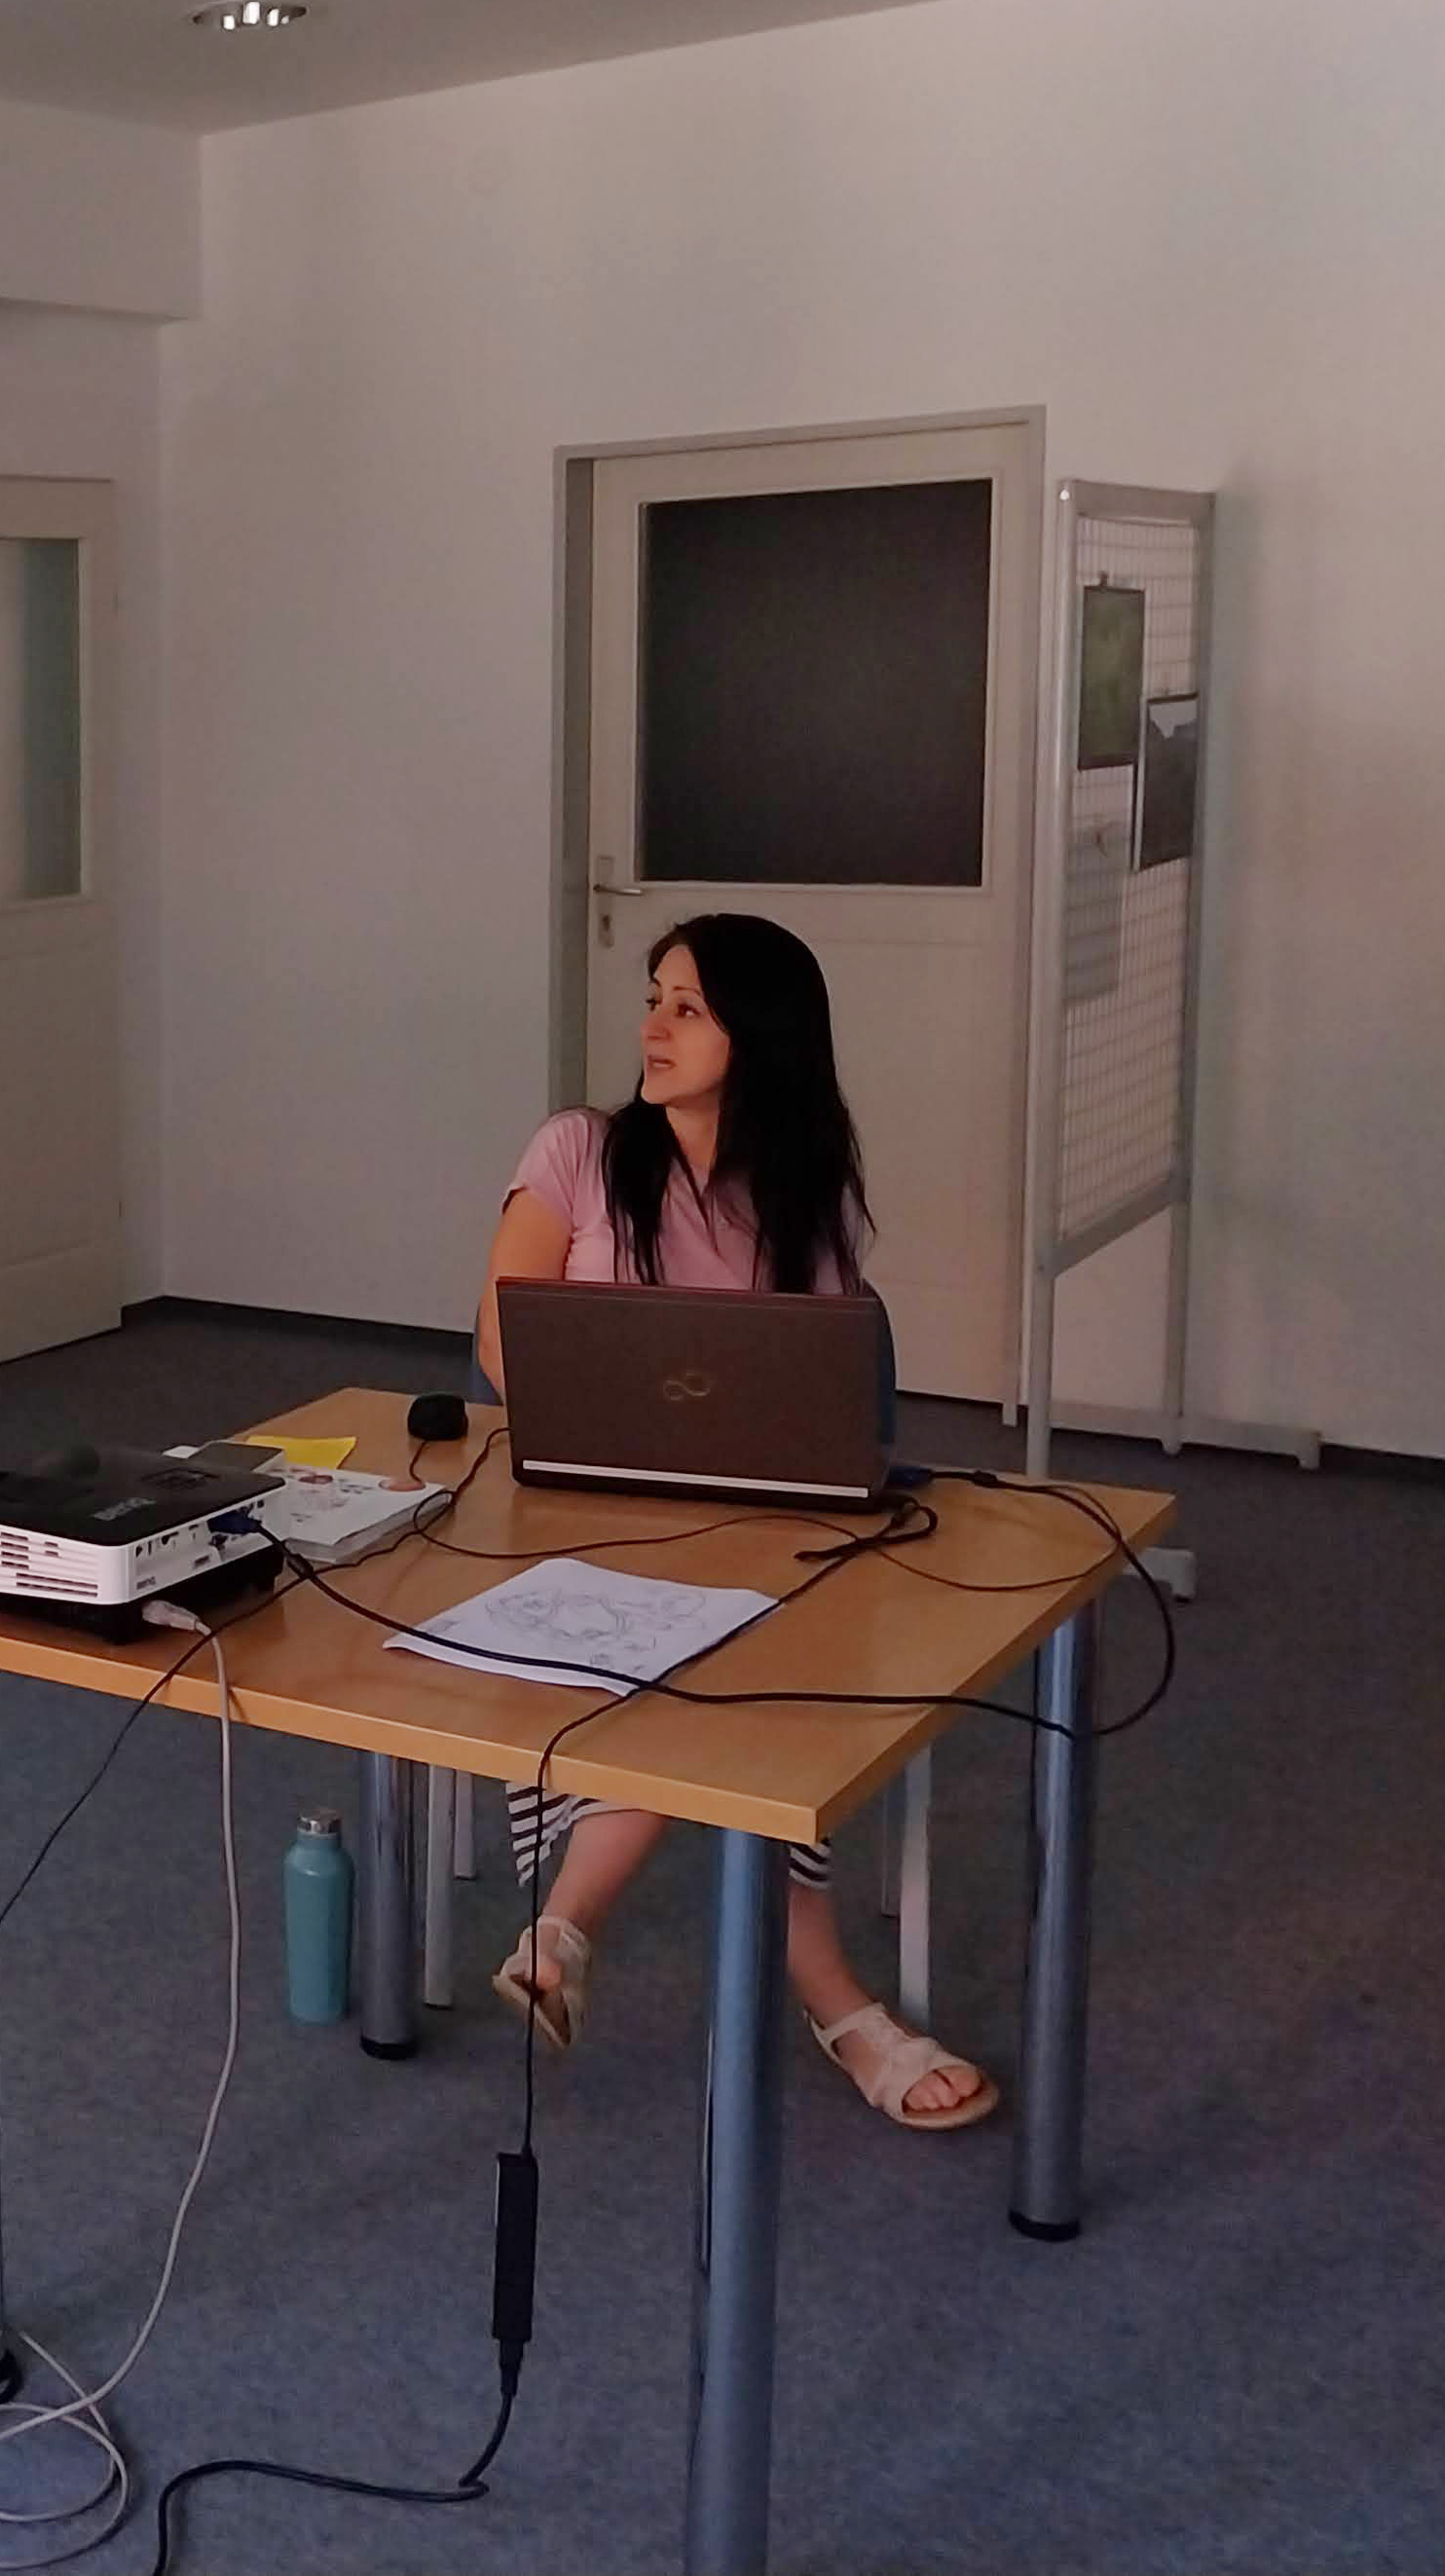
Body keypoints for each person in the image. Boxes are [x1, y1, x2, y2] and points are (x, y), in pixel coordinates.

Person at [472, 912, 994, 2131]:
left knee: (746, 1659)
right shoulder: (576, 1152)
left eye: (688, 1007)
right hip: (576, 1514)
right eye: (653, 999)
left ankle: (566, 1927)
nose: (652, 1029)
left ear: (758, 1035)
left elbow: (820, 1399)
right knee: (730, 1677)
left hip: (747, 1531)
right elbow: (504, 1344)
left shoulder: (805, 1201)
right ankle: (834, 1998)